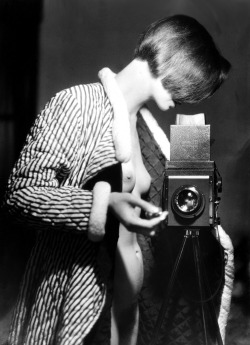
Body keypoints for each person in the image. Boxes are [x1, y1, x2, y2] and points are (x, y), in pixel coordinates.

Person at [3, 14, 233, 345]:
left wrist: (197, 184)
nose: (195, 98)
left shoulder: (146, 129)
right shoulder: (77, 104)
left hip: (135, 313)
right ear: (177, 62)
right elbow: (20, 196)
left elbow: (174, 219)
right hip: (84, 305)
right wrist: (105, 206)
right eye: (197, 84)